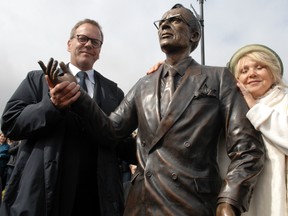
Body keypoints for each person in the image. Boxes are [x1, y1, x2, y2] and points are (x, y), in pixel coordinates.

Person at [43, 4, 265, 216]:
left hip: (192, 203)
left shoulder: (218, 77)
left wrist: (229, 201)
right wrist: (78, 95)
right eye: (162, 22)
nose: (165, 25)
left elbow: (247, 149)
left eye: (176, 20)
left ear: (194, 36)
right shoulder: (144, 84)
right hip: (141, 202)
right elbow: (111, 131)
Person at [0, 18, 136, 216]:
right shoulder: (37, 80)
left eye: (95, 42)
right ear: (69, 43)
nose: (88, 44)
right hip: (44, 193)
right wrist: (51, 106)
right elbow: (11, 122)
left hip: (96, 197)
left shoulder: (114, 92)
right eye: (82, 38)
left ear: (99, 50)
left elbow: (120, 142)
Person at [227, 44, 288, 216]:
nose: (251, 74)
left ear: (273, 73)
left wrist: (255, 108)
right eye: (244, 71)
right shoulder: (230, 111)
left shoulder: (285, 102)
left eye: (259, 67)